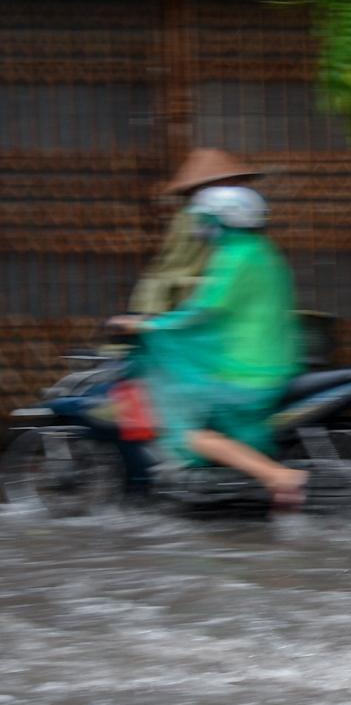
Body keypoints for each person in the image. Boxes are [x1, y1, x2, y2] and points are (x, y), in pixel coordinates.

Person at [109, 186, 305, 510]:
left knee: (188, 431)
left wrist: (146, 325)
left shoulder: (235, 256)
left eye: (207, 219)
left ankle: (278, 476)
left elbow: (203, 310)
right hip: (271, 361)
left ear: (225, 219)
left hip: (247, 369)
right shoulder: (261, 250)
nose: (202, 227)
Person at [129, 148, 265, 315]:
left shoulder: (230, 219)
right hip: (184, 301)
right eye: (231, 182)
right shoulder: (196, 218)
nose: (238, 187)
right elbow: (175, 267)